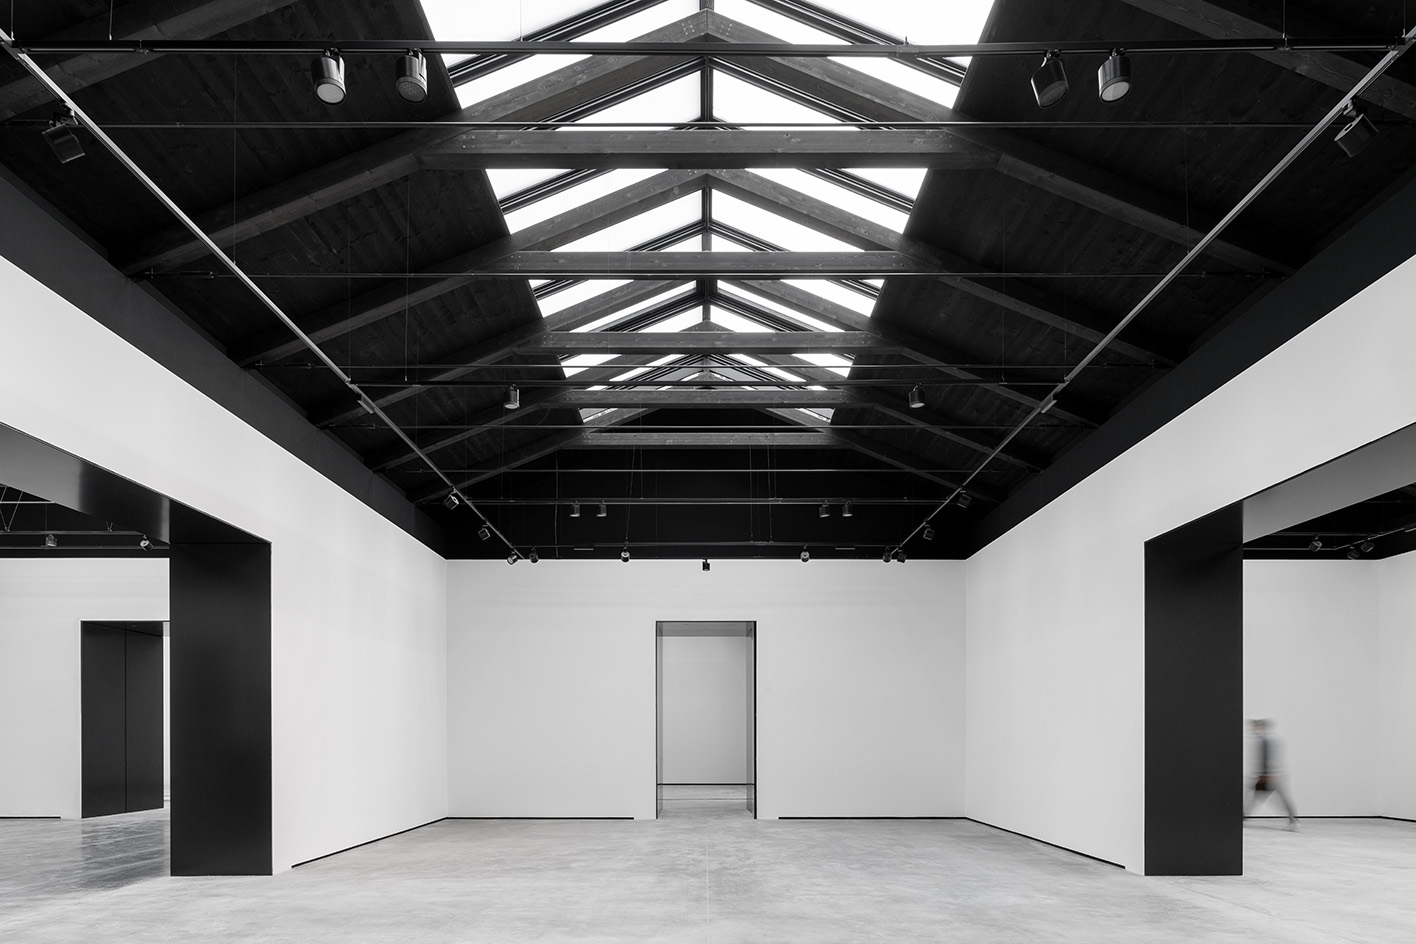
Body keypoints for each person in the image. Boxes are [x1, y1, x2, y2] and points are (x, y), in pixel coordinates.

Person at [1245, 718, 1298, 829]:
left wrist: (1267, 774)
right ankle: (1293, 821)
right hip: (1269, 775)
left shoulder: (1265, 741)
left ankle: (1294, 822)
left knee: (1254, 798)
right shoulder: (1264, 740)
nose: (1253, 729)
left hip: (1270, 776)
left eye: (1255, 726)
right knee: (1253, 798)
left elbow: (1267, 759)